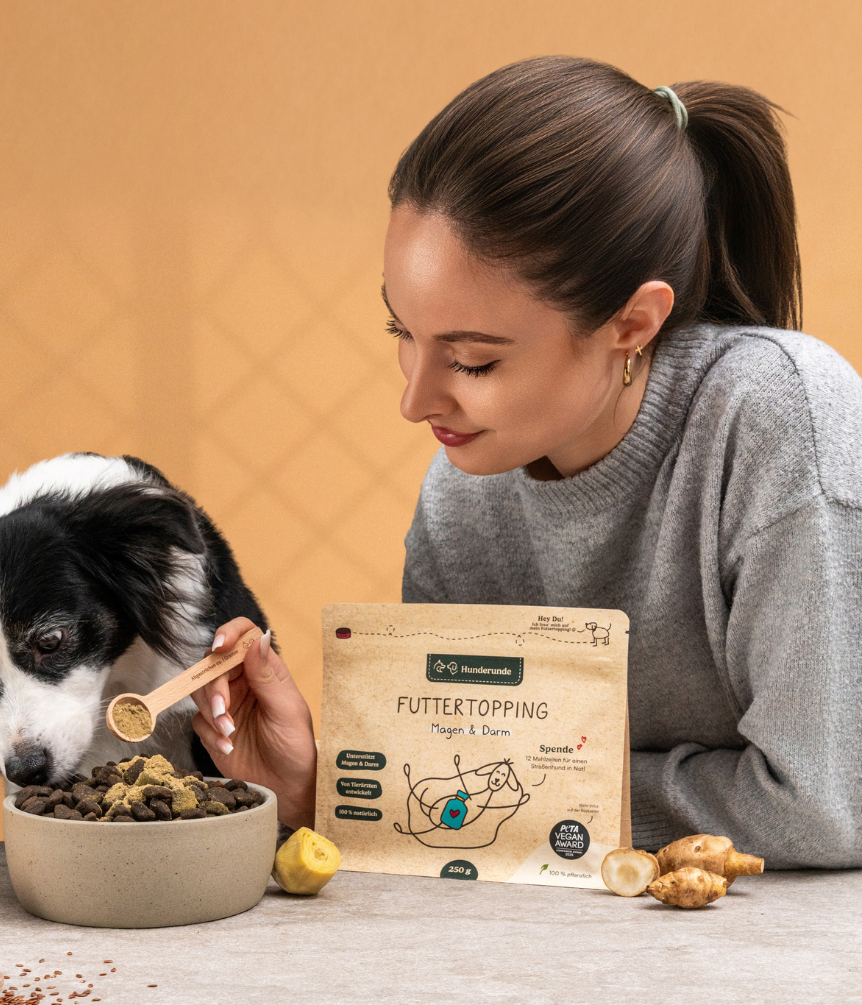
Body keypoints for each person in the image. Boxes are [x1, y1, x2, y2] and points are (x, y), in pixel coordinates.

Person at [190, 56, 862, 868]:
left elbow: (823, 807)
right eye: (402, 332)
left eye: (473, 361)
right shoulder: (461, 496)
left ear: (632, 324)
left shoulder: (781, 418)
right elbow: (455, 794)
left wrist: (535, 793)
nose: (415, 401)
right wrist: (318, 790)